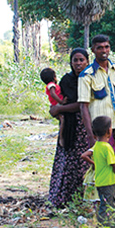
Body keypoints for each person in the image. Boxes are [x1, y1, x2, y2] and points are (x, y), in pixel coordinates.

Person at [48, 48, 91, 208]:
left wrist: (60, 109)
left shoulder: (91, 78)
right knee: (67, 162)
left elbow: (83, 104)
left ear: (87, 61)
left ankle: (85, 199)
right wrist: (58, 109)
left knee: (85, 163)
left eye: (81, 60)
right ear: (71, 62)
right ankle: (65, 199)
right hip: (71, 127)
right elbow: (61, 100)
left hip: (86, 126)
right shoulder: (66, 80)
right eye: (75, 60)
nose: (78, 64)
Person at [78, 34, 115, 148]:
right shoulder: (87, 75)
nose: (104, 50)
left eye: (106, 47)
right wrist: (90, 135)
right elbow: (84, 106)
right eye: (100, 48)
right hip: (99, 131)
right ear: (93, 50)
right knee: (102, 163)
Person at [80, 116, 115, 227]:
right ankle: (108, 226)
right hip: (109, 182)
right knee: (110, 205)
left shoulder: (96, 146)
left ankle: (102, 225)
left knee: (103, 204)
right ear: (109, 131)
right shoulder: (107, 147)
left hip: (99, 181)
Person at [40, 67, 66, 147]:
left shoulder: (51, 85)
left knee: (62, 120)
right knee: (63, 120)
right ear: (54, 77)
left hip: (56, 104)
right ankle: (61, 137)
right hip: (57, 105)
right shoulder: (51, 85)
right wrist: (61, 101)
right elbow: (53, 94)